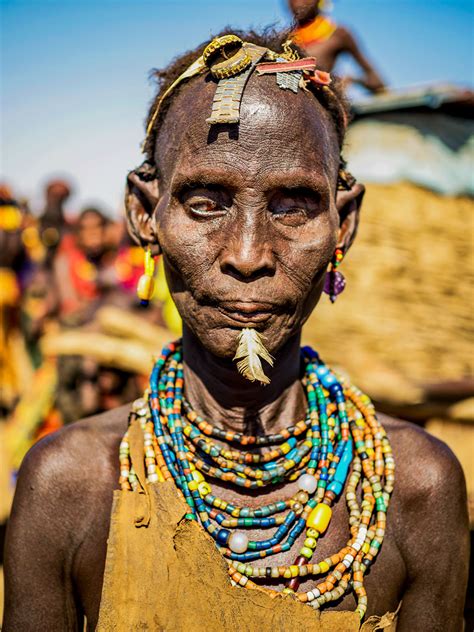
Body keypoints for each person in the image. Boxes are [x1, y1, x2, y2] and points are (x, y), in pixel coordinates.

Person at [3, 30, 468, 631]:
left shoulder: (417, 488)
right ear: (146, 215)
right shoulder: (71, 485)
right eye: (205, 201)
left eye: (293, 205)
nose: (248, 254)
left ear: (343, 223)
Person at [289, 0, 386, 93]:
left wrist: (347, 81)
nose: (296, 1)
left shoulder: (338, 34)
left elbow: (376, 80)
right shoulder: (284, 40)